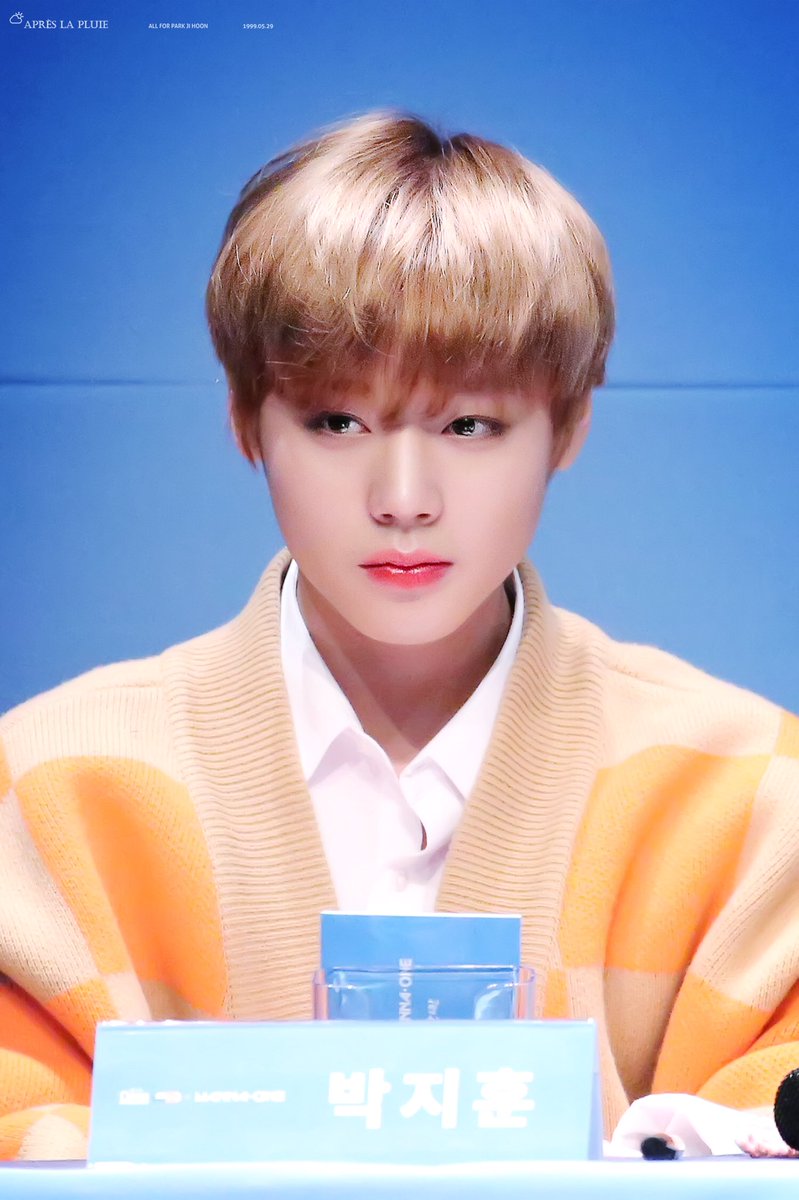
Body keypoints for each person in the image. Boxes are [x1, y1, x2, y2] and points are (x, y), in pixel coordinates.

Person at [1, 109, 798, 1162]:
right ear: (245, 419)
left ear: (568, 425)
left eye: (469, 425)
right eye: (337, 422)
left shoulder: (755, 796)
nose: (404, 498)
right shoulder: (48, 789)